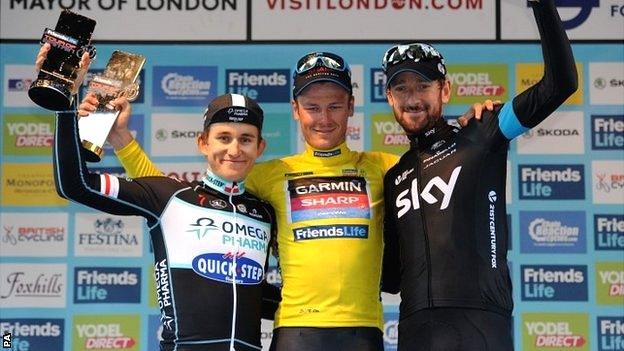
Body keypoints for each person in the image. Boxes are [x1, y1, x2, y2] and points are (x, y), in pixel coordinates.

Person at [107, 52, 493, 351]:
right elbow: (178, 196)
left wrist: (469, 127)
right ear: (295, 111)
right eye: (312, 107)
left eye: (334, 106)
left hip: (364, 332)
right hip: (296, 332)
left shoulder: (384, 167)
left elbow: (442, 163)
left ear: (351, 107)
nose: (323, 118)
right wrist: (123, 140)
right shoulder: (269, 173)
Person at [380, 0, 577, 350]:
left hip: (480, 325)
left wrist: (542, 6)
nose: (412, 98)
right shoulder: (395, 176)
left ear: (445, 90)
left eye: (423, 86)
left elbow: (560, 84)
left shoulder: (483, 131)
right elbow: (392, 278)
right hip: (414, 331)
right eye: (401, 88)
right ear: (389, 98)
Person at [53, 92, 279, 351]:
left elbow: (254, 295)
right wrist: (66, 106)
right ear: (203, 143)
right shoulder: (170, 196)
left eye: (246, 139)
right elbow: (75, 185)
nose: (235, 150)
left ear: (260, 147)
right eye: (224, 138)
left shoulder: (264, 213)